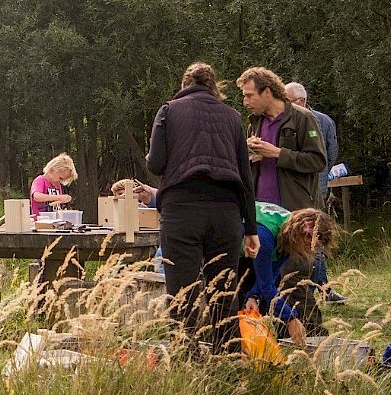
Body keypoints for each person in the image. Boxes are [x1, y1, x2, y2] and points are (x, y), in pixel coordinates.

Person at [144, 62, 259, 351]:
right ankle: (229, 365)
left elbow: (156, 164)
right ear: (213, 87)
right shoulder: (233, 117)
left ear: (184, 86)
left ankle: (187, 361)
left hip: (181, 211)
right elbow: (245, 177)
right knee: (223, 292)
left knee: (182, 293)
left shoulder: (168, 111)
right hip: (226, 213)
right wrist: (251, 228)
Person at [284, 81, 345, 304]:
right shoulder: (285, 118)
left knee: (313, 239)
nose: (285, 105)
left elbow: (329, 155)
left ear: (302, 101)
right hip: (296, 189)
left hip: (313, 188)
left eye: (289, 101)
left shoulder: (323, 121)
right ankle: (311, 289)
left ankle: (321, 289)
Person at [242, 202, 336, 345]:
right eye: (308, 245)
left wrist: (253, 296)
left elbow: (271, 273)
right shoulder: (266, 238)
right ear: (303, 230)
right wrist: (291, 318)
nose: (309, 251)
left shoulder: (288, 233)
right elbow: (267, 286)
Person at [238, 67, 326, 211]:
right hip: (262, 211)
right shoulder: (255, 123)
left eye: (249, 96)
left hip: (295, 212)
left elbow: (317, 161)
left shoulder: (303, 118)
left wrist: (277, 153)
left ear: (267, 92)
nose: (245, 102)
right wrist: (248, 152)